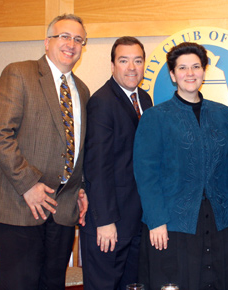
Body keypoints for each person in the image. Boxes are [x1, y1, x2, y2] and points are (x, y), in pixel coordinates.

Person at [0, 14, 90, 289]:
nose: (72, 44)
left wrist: (80, 188)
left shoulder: (83, 90)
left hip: (63, 214)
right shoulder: (19, 72)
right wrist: (28, 184)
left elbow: (77, 150)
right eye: (64, 36)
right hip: (20, 208)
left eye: (78, 39)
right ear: (47, 42)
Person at [133, 42, 228, 290]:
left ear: (204, 71)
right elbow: (146, 174)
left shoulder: (223, 113)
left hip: (219, 220)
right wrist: (156, 220)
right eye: (182, 68)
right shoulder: (155, 116)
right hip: (173, 223)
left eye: (195, 66)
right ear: (172, 75)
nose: (189, 73)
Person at [80, 36, 153, 290]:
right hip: (109, 224)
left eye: (137, 60)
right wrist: (105, 221)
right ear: (112, 66)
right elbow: (97, 167)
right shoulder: (102, 102)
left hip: (136, 222)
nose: (131, 67)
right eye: (124, 61)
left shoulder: (144, 99)